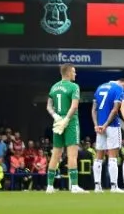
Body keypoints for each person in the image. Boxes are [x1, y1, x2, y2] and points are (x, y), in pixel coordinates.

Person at [45, 64, 84, 193]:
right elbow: (74, 106)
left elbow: (48, 106)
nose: (75, 74)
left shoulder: (54, 87)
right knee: (72, 155)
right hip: (70, 122)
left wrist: (56, 116)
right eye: (74, 72)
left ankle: (49, 186)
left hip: (57, 122)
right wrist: (66, 120)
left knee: (55, 154)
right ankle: (74, 186)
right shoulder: (74, 86)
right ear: (68, 73)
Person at [92, 77, 124, 192]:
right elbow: (115, 110)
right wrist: (106, 125)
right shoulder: (118, 89)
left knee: (98, 156)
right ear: (121, 83)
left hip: (99, 126)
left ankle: (97, 186)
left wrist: (96, 125)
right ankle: (114, 186)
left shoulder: (99, 88)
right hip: (112, 126)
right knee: (113, 156)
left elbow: (94, 109)